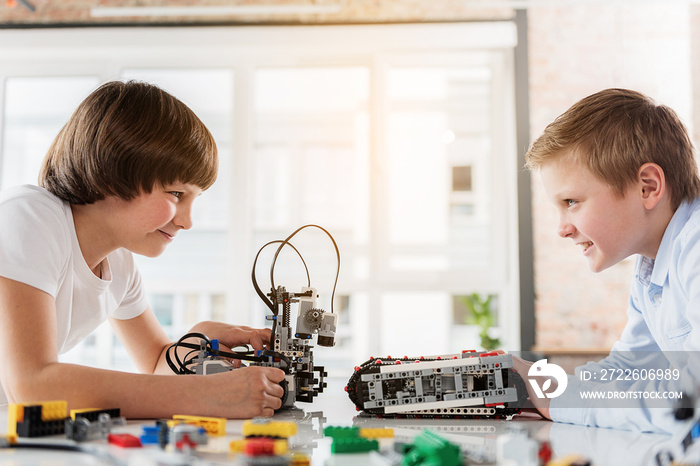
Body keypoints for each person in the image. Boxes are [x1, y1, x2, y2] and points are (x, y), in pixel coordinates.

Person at [0, 80, 285, 419]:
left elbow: (155, 364)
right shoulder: (29, 217)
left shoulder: (118, 262)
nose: (187, 222)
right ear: (110, 172)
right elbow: (33, 386)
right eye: (177, 194)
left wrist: (196, 339)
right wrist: (208, 396)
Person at [514, 88, 700, 434]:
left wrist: (556, 400)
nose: (562, 229)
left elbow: (691, 400)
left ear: (647, 187)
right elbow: (631, 369)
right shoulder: (651, 267)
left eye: (571, 201)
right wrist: (538, 380)